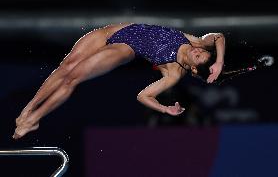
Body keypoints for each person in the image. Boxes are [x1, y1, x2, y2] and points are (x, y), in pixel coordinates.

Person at [13, 23, 225, 139]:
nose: (197, 50)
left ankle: (34, 119)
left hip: (124, 49)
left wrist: (164, 109)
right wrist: (219, 61)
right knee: (64, 68)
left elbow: (143, 96)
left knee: (72, 77)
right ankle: (27, 111)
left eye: (198, 56)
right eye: (201, 51)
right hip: (114, 30)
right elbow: (218, 36)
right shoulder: (196, 41)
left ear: (194, 67)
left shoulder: (174, 73)